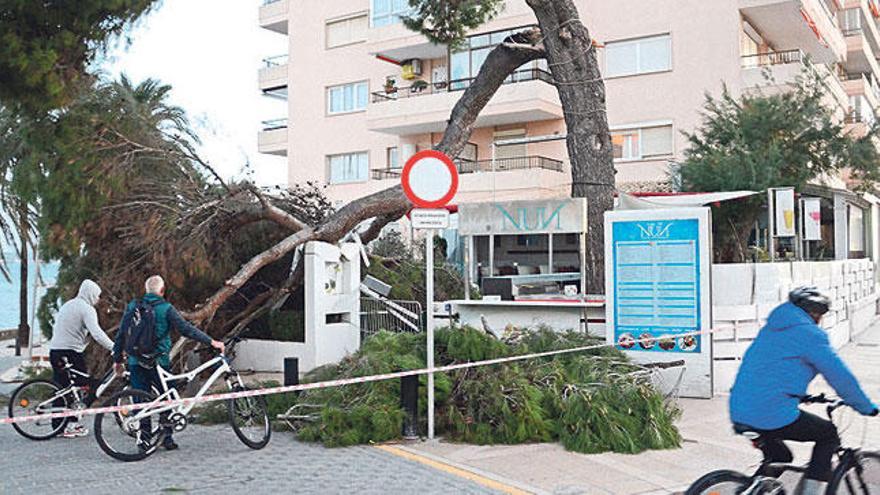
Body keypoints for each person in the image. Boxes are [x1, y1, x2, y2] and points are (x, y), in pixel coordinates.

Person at [729, 286, 878, 494]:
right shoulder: (811, 335)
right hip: (769, 412)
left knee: (781, 458)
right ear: (815, 314)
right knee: (828, 434)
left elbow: (770, 371)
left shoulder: (772, 329)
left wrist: (798, 395)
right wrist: (865, 406)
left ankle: (751, 489)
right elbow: (841, 378)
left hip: (739, 408)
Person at [113, 275, 224, 451]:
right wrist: (211, 341)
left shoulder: (133, 306)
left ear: (146, 289)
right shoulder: (166, 308)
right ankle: (167, 438)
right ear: (162, 291)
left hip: (135, 361)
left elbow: (121, 335)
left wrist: (117, 360)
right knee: (167, 398)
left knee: (140, 400)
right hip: (158, 361)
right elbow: (186, 330)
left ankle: (144, 440)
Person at [48, 279, 115, 438]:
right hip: (70, 353)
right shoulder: (87, 309)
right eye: (97, 296)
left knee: (63, 388)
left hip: (55, 351)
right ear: (91, 294)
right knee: (87, 385)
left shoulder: (68, 305)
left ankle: (57, 426)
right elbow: (97, 333)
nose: (98, 300)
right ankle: (70, 424)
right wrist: (114, 347)